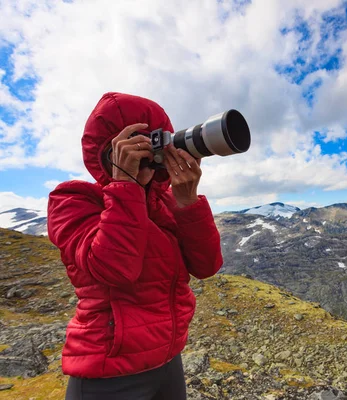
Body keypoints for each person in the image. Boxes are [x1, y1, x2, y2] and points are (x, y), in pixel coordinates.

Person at [47, 92, 223, 400]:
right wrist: (125, 185)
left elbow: (207, 266)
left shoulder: (165, 204)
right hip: (109, 372)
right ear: (110, 150)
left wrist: (187, 202)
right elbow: (114, 269)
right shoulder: (73, 201)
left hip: (168, 360)